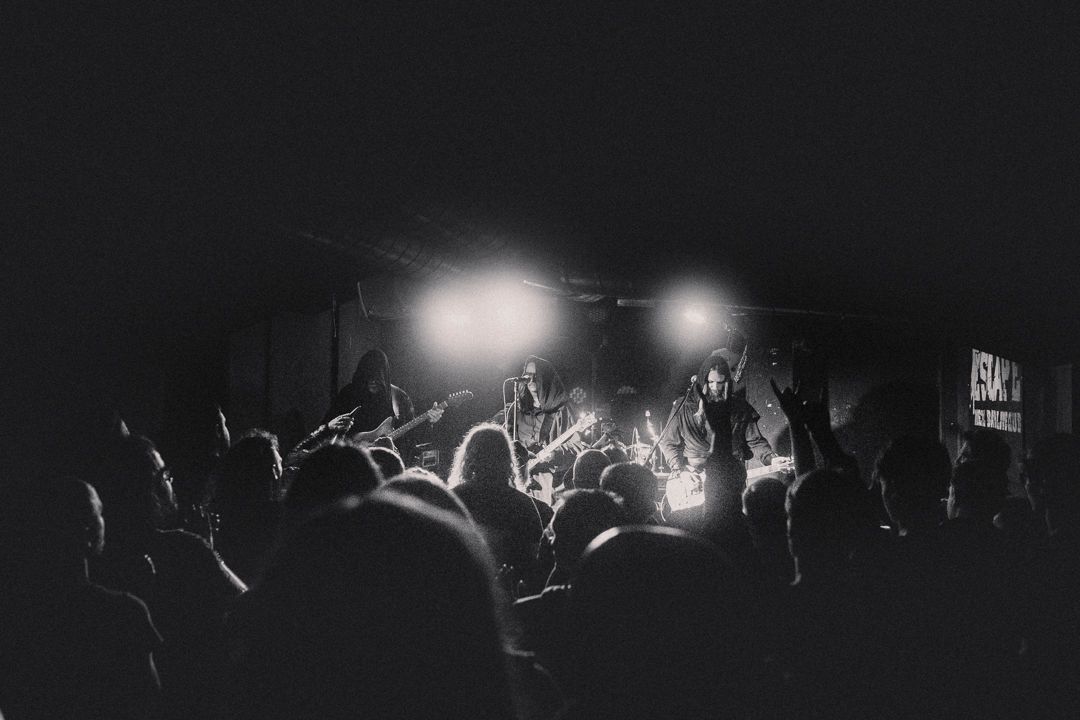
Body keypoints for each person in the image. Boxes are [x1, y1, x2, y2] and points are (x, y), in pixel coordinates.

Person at [0, 476, 163, 720]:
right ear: (88, 531)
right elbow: (150, 703)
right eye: (100, 513)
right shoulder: (124, 613)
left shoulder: (15, 617)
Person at [659, 349, 789, 482]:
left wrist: (772, 459)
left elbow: (755, 441)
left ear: (726, 382)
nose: (715, 387)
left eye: (720, 382)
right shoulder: (684, 406)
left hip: (730, 474)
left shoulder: (739, 407)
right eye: (710, 382)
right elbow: (668, 442)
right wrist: (680, 470)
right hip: (693, 476)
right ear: (702, 380)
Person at [323, 349, 443, 453]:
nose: (373, 381)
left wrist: (430, 422)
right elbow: (326, 430)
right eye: (369, 376)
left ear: (384, 375)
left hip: (388, 465)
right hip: (353, 463)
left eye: (378, 377)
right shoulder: (348, 394)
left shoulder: (399, 397)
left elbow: (413, 437)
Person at [498, 355, 585, 456]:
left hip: (549, 466)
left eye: (536, 375)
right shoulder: (516, 408)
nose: (531, 379)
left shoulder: (562, 410)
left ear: (546, 378)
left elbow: (576, 446)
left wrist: (555, 454)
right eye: (528, 374)